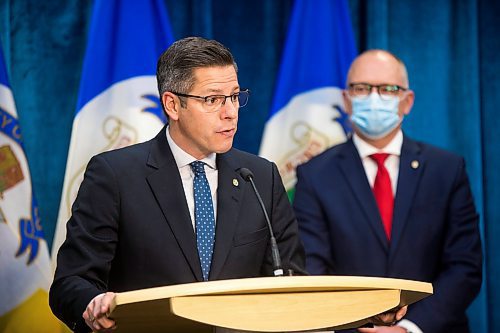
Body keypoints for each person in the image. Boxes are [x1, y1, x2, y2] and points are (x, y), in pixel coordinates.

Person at [49, 38, 405, 333]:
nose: (230, 111)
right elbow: (70, 284)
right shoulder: (115, 174)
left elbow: (293, 287)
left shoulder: (260, 177)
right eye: (213, 99)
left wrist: (366, 312)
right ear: (172, 104)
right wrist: (91, 306)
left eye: (235, 96)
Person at [293, 50, 482, 333]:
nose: (374, 98)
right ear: (346, 100)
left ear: (407, 101)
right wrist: (360, 323)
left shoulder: (447, 169)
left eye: (388, 89)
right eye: (362, 88)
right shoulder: (314, 175)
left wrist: (408, 327)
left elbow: (464, 267)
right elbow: (312, 268)